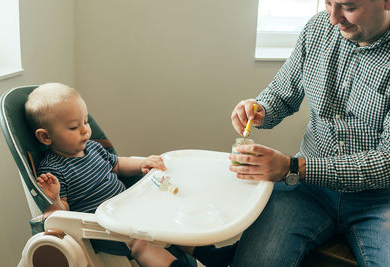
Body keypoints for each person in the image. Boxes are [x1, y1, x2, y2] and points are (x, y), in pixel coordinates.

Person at [228, 0, 390, 266]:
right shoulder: (316, 30)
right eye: (329, 3)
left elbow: (386, 163)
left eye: (348, 7)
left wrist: (292, 167)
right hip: (308, 190)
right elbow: (281, 93)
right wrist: (259, 109)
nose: (334, 19)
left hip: (380, 199)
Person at [25, 83, 236, 267]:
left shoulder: (92, 148)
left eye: (86, 122)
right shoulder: (54, 170)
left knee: (168, 219)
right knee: (142, 244)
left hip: (128, 209)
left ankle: (211, 255)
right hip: (104, 229)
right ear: (45, 137)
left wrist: (142, 163)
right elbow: (62, 216)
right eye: (74, 127)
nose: (85, 130)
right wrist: (53, 200)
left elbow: (118, 164)